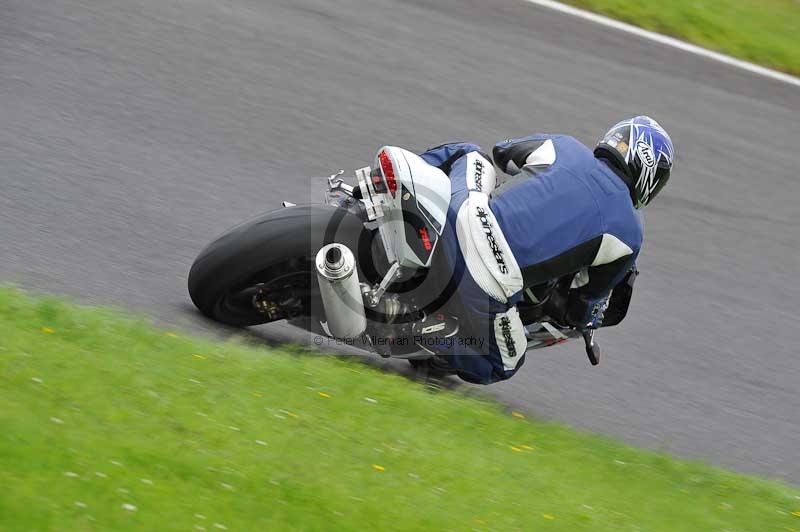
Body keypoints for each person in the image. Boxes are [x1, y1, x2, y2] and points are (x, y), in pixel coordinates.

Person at [404, 116, 674, 384]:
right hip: (489, 278)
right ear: (650, 177)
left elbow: (502, 152)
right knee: (504, 362)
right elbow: (585, 302)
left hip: (464, 216)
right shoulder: (630, 234)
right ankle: (419, 333)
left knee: (469, 153)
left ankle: (399, 184)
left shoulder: (564, 146)